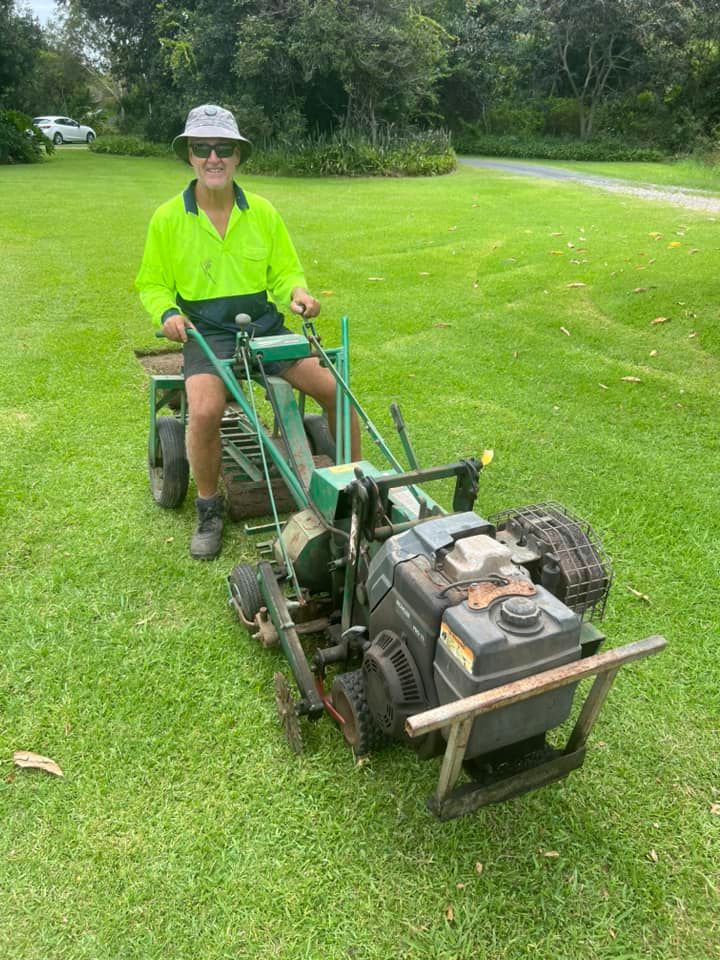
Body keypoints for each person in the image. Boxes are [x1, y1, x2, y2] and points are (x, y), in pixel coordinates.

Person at [136, 104, 360, 560]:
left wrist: (298, 293)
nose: (213, 157)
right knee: (202, 411)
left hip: (264, 324)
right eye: (203, 148)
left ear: (238, 156)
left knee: (336, 390)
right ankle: (208, 508)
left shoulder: (262, 212)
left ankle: (351, 489)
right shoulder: (167, 218)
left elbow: (284, 273)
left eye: (224, 148)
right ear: (190, 156)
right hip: (206, 332)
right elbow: (153, 282)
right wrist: (166, 313)